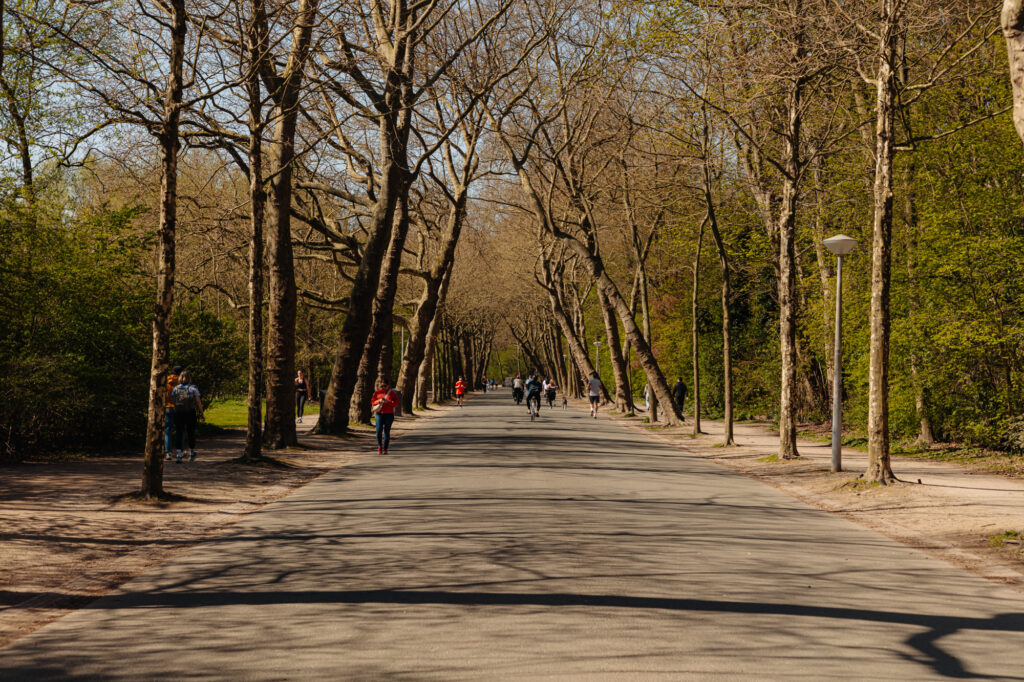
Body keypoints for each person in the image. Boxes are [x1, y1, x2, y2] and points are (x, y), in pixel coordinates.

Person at [171, 371, 204, 463]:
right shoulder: (193, 388)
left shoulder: (175, 388)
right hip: (190, 412)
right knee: (190, 432)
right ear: (189, 378)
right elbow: (198, 401)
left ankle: (178, 455)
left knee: (179, 433)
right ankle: (191, 453)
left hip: (178, 413)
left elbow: (174, 401)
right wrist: (201, 413)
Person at [371, 377, 400, 454]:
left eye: (385, 386)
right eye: (382, 386)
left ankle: (385, 448)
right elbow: (373, 402)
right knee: (378, 431)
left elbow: (396, 403)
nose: (383, 387)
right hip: (379, 414)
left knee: (387, 431)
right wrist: (378, 401)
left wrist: (388, 401)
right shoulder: (377, 393)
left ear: (388, 385)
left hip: (389, 414)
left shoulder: (392, 393)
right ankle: (380, 445)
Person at [164, 365, 182, 461]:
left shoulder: (166, 380)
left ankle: (168, 452)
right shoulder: (181, 382)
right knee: (180, 430)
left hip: (167, 407)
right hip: (178, 408)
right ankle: (180, 451)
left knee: (167, 431)